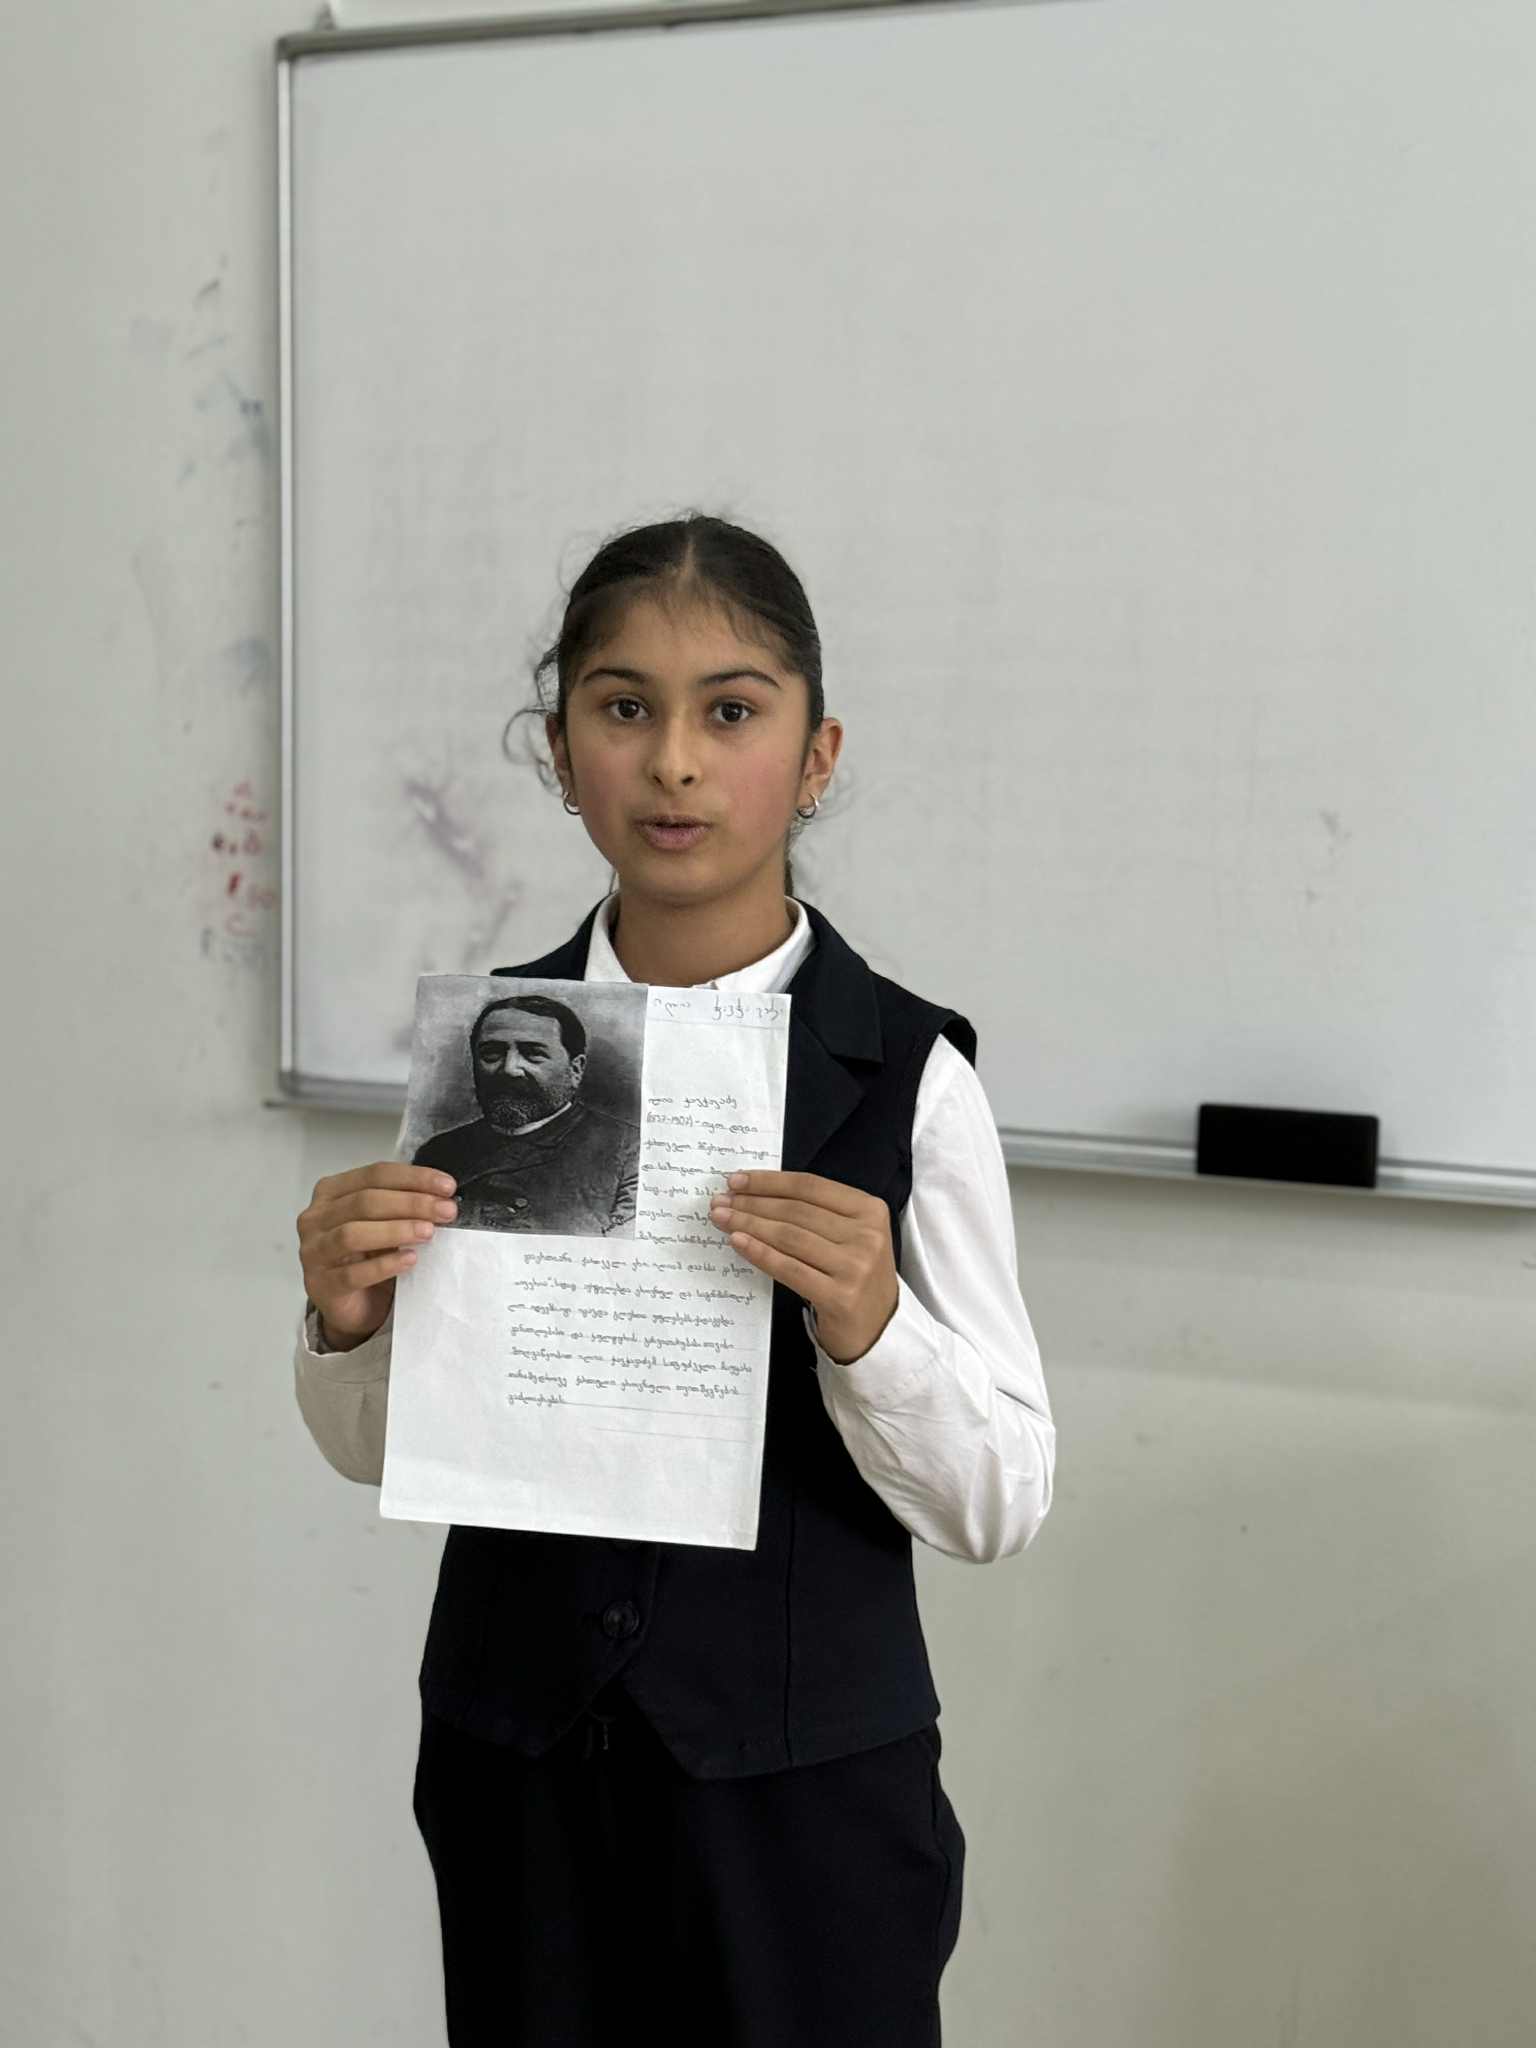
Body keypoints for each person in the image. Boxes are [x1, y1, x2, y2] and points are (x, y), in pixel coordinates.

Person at [292, 512, 1056, 2047]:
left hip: (804, 1796)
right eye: (625, 708)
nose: (675, 763)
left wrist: (874, 1327)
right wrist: (348, 1322)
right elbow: (389, 1447)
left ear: (817, 755)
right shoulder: (494, 1050)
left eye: (732, 711)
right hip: (520, 1770)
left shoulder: (906, 1075)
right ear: (561, 751)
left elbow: (1001, 1498)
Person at [413, 992, 640, 1235]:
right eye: (492, 1053)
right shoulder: (437, 1153)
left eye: (533, 1053)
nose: (510, 1069)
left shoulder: (629, 1151)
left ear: (576, 1069)